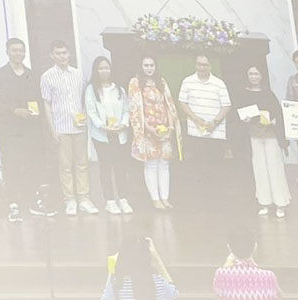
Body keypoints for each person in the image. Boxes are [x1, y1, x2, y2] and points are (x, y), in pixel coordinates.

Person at [0, 37, 53, 221]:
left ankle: (32, 201)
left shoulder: (32, 75)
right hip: (10, 131)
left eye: (21, 50)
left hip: (31, 130)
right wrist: (14, 111)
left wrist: (34, 113)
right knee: (12, 166)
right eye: (14, 50)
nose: (18, 54)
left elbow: (39, 101)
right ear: (7, 52)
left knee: (33, 165)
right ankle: (14, 204)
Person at [40, 40, 95, 215]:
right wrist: (53, 130)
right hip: (61, 128)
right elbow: (47, 105)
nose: (62, 56)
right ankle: (69, 200)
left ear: (69, 54)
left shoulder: (78, 74)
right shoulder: (47, 76)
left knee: (82, 164)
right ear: (52, 55)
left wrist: (85, 119)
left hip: (79, 127)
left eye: (64, 53)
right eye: (58, 53)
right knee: (65, 166)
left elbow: (85, 99)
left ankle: (84, 199)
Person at [236, 66, 290, 219]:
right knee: (259, 169)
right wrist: (245, 120)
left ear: (261, 76)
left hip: (271, 136)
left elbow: (278, 113)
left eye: (256, 74)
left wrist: (273, 121)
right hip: (254, 137)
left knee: (275, 169)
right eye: (251, 73)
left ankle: (281, 203)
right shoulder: (244, 94)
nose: (253, 76)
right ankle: (264, 202)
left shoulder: (268, 94)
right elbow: (240, 115)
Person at [177, 54, 231, 205]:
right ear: (195, 65)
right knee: (198, 165)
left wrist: (215, 122)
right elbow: (182, 102)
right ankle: (200, 200)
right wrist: (195, 119)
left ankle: (215, 199)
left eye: (205, 65)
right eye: (199, 64)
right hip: (196, 133)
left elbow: (227, 105)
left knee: (215, 165)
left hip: (216, 133)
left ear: (210, 66)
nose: (202, 68)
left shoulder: (219, 83)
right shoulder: (188, 81)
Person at [128, 56, 180, 209]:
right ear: (141, 66)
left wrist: (170, 127)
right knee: (151, 163)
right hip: (148, 130)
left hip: (164, 129)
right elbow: (135, 108)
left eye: (152, 65)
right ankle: (155, 199)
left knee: (164, 163)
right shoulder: (135, 83)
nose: (149, 68)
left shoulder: (161, 82)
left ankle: (165, 197)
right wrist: (147, 128)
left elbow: (168, 104)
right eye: (146, 65)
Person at [85, 56, 134, 214]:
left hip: (119, 134)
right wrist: (102, 126)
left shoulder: (118, 89)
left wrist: (124, 124)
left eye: (106, 68)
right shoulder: (91, 89)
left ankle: (123, 198)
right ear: (96, 71)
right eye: (100, 68)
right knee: (106, 167)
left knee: (120, 166)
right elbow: (91, 111)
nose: (104, 71)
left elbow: (127, 109)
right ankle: (110, 200)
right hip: (102, 136)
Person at [105, 214, 178, 300]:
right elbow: (174, 295)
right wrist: (157, 259)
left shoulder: (117, 281)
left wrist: (113, 268)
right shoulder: (158, 280)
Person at [213, 228, 283, 300]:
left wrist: (227, 265)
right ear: (255, 247)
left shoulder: (221, 274)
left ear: (229, 248)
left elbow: (218, 296)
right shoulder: (269, 276)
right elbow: (278, 299)